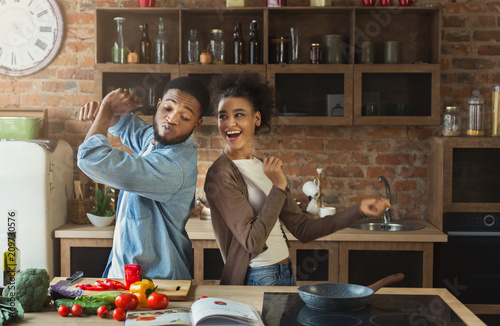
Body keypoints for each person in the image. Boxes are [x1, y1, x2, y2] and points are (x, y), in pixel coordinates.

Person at [204, 73, 391, 286]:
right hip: (257, 277)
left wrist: (358, 211)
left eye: (239, 115)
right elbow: (253, 242)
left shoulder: (261, 166)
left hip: (284, 272)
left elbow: (303, 229)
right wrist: (278, 187)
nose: (230, 123)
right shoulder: (220, 174)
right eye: (222, 116)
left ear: (256, 118)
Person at [77, 77, 210, 280]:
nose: (172, 119)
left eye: (184, 117)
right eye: (167, 108)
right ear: (158, 105)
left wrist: (105, 108)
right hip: (126, 277)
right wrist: (106, 113)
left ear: (197, 124)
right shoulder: (158, 139)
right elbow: (127, 126)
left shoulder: (173, 167)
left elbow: (91, 158)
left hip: (157, 284)